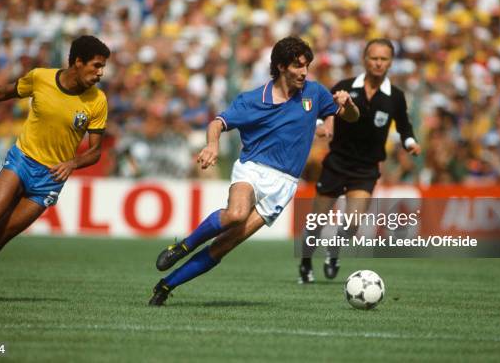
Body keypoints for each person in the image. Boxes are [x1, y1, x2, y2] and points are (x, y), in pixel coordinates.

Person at [148, 36, 360, 306]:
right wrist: (212, 145)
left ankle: (166, 286)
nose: (304, 72)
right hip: (253, 170)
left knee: (225, 245)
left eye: (307, 65)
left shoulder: (314, 93)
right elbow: (217, 123)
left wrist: (349, 105)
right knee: (236, 214)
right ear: (281, 66)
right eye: (298, 65)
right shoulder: (252, 100)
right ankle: (183, 246)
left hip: (284, 184)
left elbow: (350, 117)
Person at [0, 35, 111, 301]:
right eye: (96, 65)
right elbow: (6, 91)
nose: (100, 73)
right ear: (77, 62)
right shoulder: (41, 78)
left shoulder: (97, 101)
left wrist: (72, 163)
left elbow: (96, 151)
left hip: (49, 180)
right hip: (23, 159)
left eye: (102, 67)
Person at [298, 38, 421, 284]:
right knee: (316, 223)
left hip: (366, 169)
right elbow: (322, 111)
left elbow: (405, 127)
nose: (378, 63)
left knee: (352, 224)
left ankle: (333, 252)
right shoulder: (344, 86)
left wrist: (410, 143)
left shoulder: (395, 96)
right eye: (374, 58)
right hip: (336, 163)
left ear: (390, 62)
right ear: (364, 60)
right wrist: (324, 125)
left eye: (383, 59)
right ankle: (305, 262)